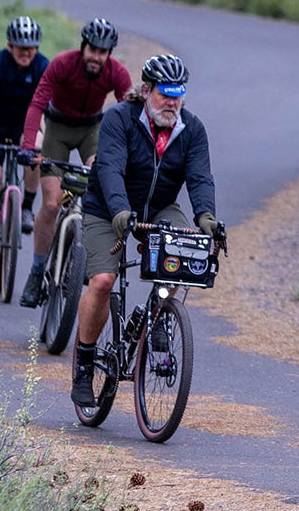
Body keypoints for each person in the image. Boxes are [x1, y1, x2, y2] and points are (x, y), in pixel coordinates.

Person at [72, 54, 219, 408]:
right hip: (107, 207)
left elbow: (199, 177)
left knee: (188, 252)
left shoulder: (192, 129)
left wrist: (207, 218)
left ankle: (158, 319)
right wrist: (120, 210)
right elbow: (108, 168)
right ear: (147, 90)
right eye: (164, 94)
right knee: (104, 281)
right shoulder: (119, 119)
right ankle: (85, 363)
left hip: (159, 207)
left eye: (178, 94)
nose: (171, 102)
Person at [19, 17, 133, 306]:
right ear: (83, 47)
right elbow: (36, 103)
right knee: (51, 203)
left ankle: (84, 256)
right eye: (92, 49)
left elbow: (129, 113)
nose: (96, 57)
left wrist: (128, 155)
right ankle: (36, 272)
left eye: (103, 52)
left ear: (109, 54)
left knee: (102, 185)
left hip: (92, 131)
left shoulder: (116, 73)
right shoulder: (62, 63)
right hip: (57, 128)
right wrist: (29, 145)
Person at [0, 15, 49, 275]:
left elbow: (52, 102)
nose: (26, 53)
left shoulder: (42, 66)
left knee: (37, 150)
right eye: (20, 47)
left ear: (36, 48)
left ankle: (26, 206)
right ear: (9, 46)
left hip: (24, 127)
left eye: (30, 48)